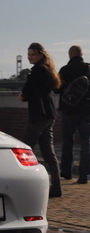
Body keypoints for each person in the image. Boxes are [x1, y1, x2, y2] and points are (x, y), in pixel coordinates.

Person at [20, 42, 63, 198]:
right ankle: (56, 188)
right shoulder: (49, 71)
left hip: (38, 114)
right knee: (49, 153)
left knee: (24, 149)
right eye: (28, 54)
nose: (29, 57)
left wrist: (23, 96)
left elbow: (25, 93)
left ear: (39, 55)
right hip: (49, 114)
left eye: (32, 54)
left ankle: (24, 185)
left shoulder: (36, 71)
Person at [56, 45, 90, 184]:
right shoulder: (88, 68)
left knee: (68, 141)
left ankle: (67, 172)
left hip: (68, 110)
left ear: (70, 55)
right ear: (81, 54)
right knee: (85, 142)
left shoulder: (64, 70)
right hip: (86, 111)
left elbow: (57, 89)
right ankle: (84, 175)